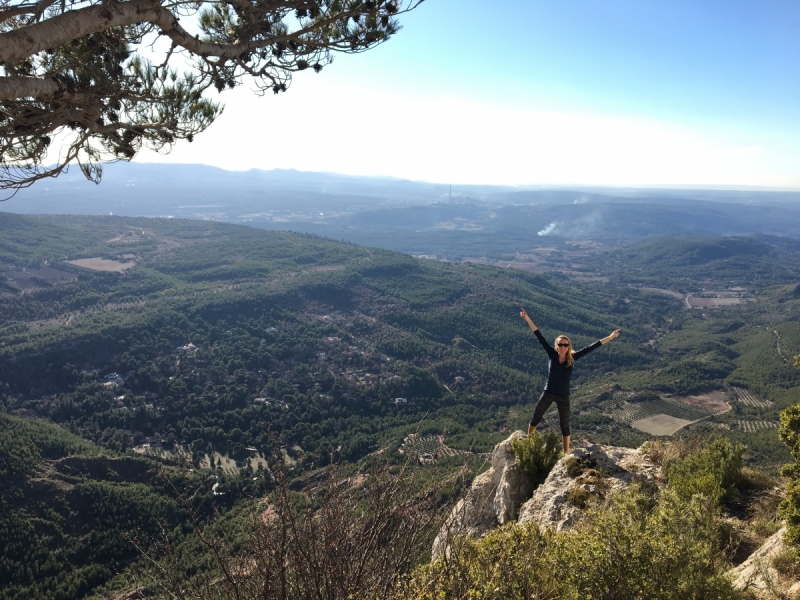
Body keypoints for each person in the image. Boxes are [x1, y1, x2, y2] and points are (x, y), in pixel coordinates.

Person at [520, 308, 620, 453]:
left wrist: (610, 337)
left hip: (563, 396)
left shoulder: (573, 358)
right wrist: (528, 319)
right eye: (560, 344)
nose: (563, 347)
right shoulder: (552, 354)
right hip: (549, 392)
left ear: (569, 347)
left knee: (564, 425)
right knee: (536, 416)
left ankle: (565, 453)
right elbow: (538, 335)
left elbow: (592, 346)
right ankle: (529, 440)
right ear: (556, 346)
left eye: (565, 345)